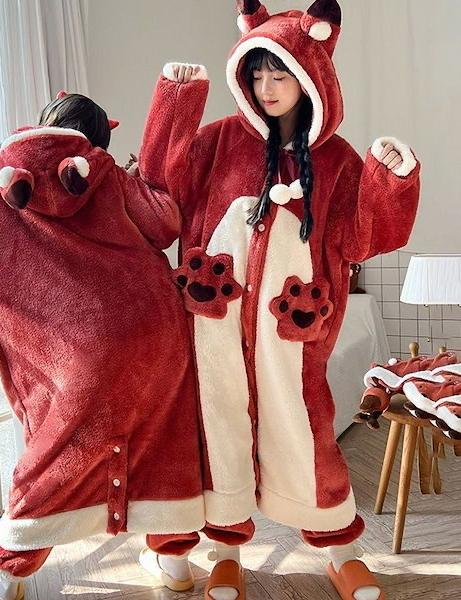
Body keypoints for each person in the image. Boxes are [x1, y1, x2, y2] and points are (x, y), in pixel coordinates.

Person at [137, 1, 420, 600]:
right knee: (218, 432)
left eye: (280, 74)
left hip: (295, 334)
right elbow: (160, 187)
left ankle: (342, 552)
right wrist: (177, 102)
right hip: (211, 323)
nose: (266, 88)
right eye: (257, 74)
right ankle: (225, 554)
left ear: (310, 77)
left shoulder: (337, 160)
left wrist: (390, 181)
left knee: (307, 435)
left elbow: (366, 238)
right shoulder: (218, 142)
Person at [0, 92, 205, 600]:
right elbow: (164, 224)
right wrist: (137, 178)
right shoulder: (109, 175)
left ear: (46, 121)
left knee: (58, 455)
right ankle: (175, 562)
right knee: (163, 439)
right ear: (99, 139)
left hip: (72, 349)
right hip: (155, 332)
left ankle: (12, 570)